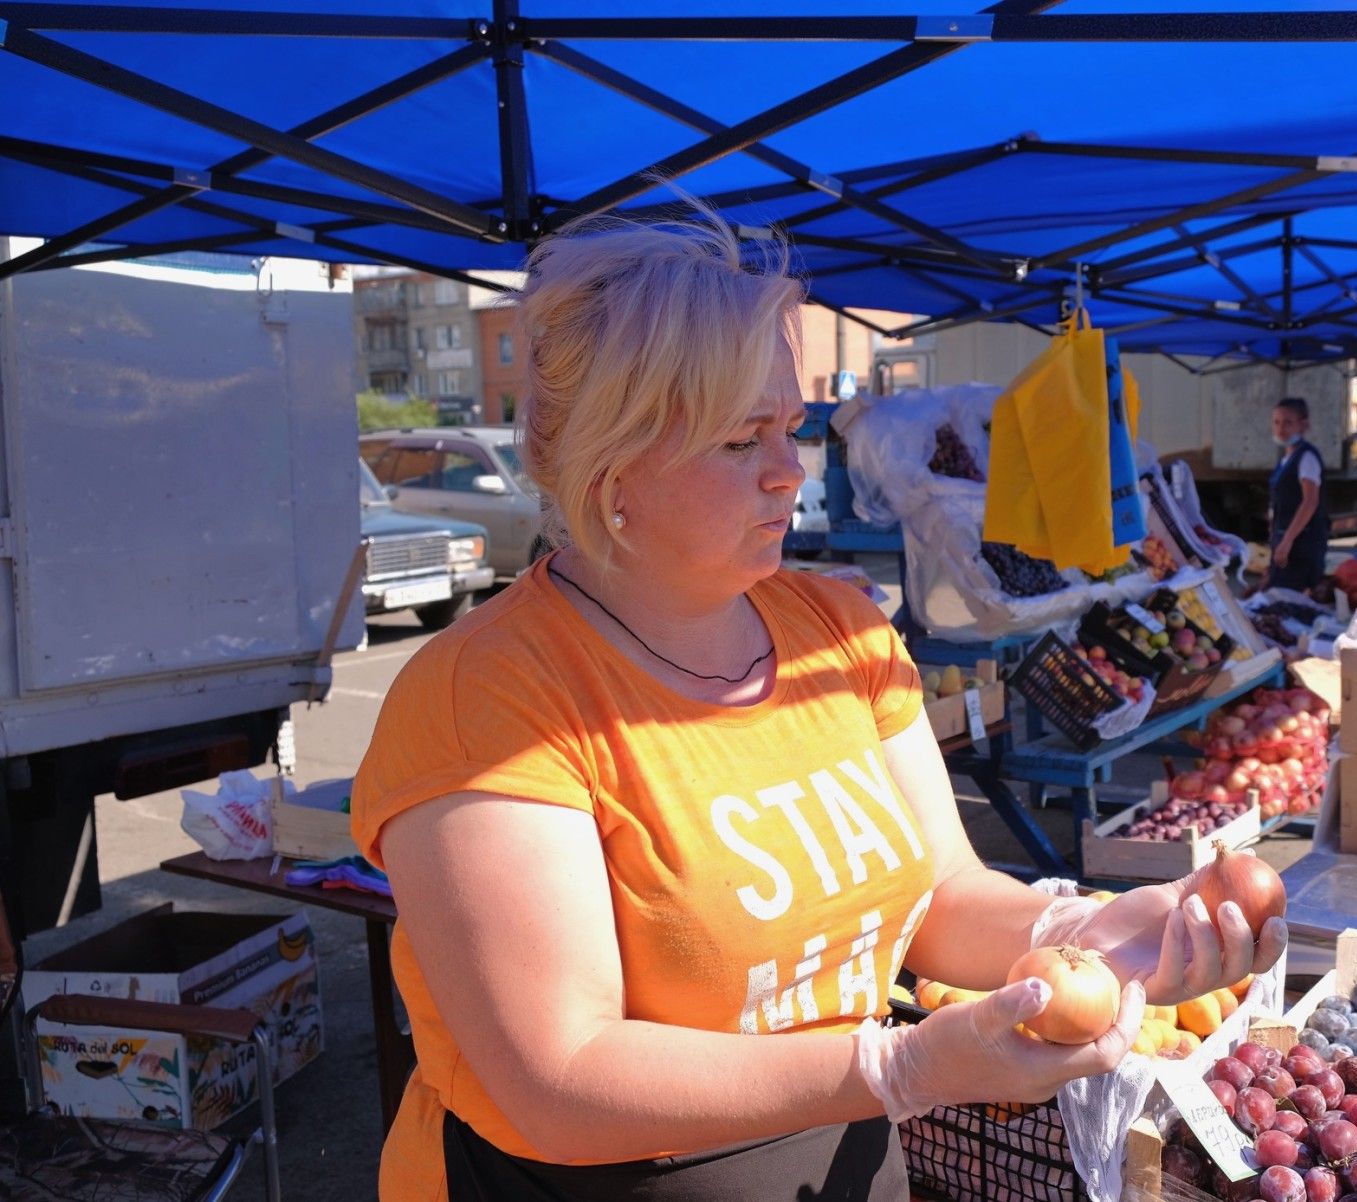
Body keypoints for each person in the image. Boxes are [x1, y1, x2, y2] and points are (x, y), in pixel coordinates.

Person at [350, 208, 1286, 1202]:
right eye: (739, 437)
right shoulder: (489, 696)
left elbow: (938, 898)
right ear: (611, 468)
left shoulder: (840, 631)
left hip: (843, 1166)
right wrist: (898, 1067)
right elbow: (559, 1074)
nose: (788, 468)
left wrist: (1089, 930)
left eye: (788, 425)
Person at [1266, 397, 1330, 591]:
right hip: (1286, 540)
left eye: (1288, 423)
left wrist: (1287, 541)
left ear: (1304, 425)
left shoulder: (1306, 457)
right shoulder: (1287, 458)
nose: (1281, 429)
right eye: (1276, 422)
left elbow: (1310, 501)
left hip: (1302, 545)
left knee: (1293, 600)